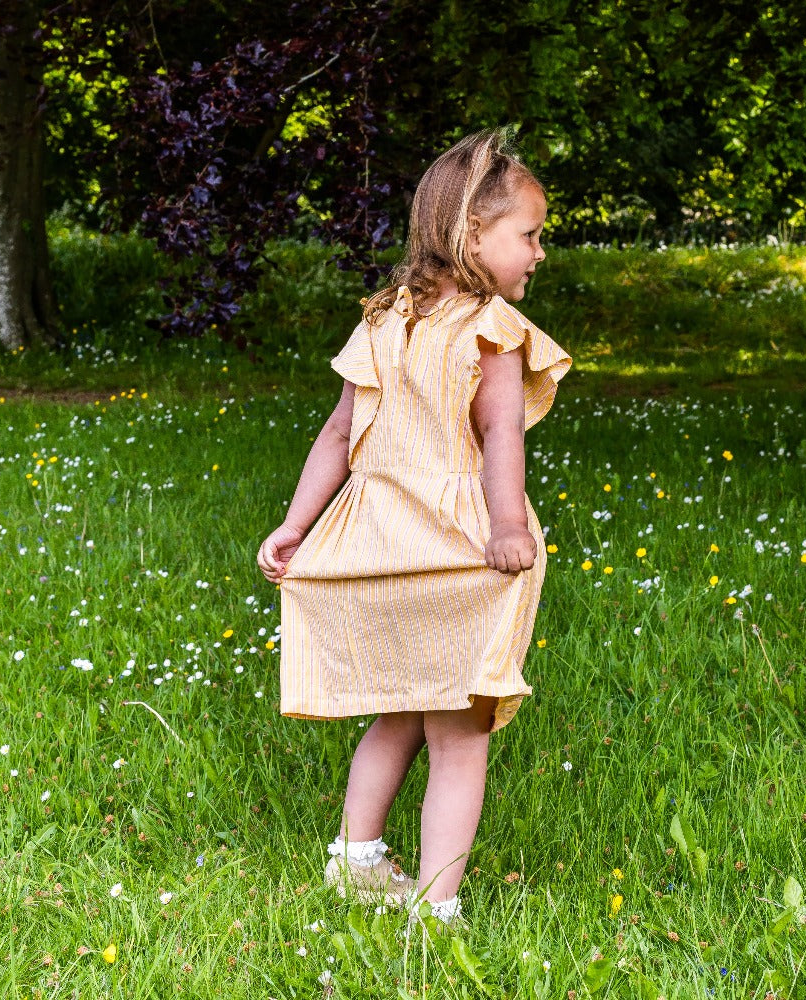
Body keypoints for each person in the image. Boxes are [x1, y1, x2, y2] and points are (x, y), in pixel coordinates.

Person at [257, 129, 570, 928]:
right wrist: (506, 527)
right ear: (472, 234)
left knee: (398, 709)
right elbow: (501, 434)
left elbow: (338, 435)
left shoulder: (384, 319)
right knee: (461, 732)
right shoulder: (490, 329)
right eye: (528, 235)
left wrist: (298, 525)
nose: (539, 253)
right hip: (457, 548)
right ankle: (437, 906)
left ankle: (356, 859)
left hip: (382, 544)